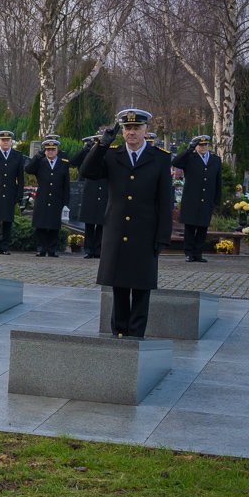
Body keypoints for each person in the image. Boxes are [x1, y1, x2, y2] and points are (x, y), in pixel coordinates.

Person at [79, 109, 173, 337]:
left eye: (136, 128)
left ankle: (137, 335)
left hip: (145, 232)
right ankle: (119, 334)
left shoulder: (159, 158)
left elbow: (165, 201)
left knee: (141, 287)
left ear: (145, 130)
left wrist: (162, 236)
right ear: (122, 131)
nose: (132, 132)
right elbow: (87, 172)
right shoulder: (112, 155)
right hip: (116, 231)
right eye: (127, 128)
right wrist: (101, 145)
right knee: (118, 286)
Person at [172, 134, 222, 263]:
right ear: (196, 146)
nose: (203, 147)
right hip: (192, 198)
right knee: (190, 227)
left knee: (202, 227)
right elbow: (175, 162)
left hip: (207, 198)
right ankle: (188, 253)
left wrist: (216, 199)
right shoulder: (190, 158)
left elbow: (218, 181)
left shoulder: (215, 160)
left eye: (205, 145)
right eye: (200, 145)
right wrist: (189, 150)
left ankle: (198, 253)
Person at [23, 137, 71, 257]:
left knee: (54, 225)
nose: (50, 152)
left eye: (53, 149)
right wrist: (37, 157)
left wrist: (65, 202)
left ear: (57, 151)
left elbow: (66, 184)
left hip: (56, 197)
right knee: (41, 224)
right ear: (45, 151)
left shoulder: (63, 164)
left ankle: (52, 249)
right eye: (48, 149)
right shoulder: (40, 163)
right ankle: (41, 248)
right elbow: (28, 169)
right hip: (43, 197)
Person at [75, 135, 107, 257]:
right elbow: (73, 161)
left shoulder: (106, 156)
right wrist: (84, 150)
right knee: (89, 224)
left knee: (100, 224)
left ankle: (98, 250)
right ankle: (88, 250)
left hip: (103, 193)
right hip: (90, 193)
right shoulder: (87, 156)